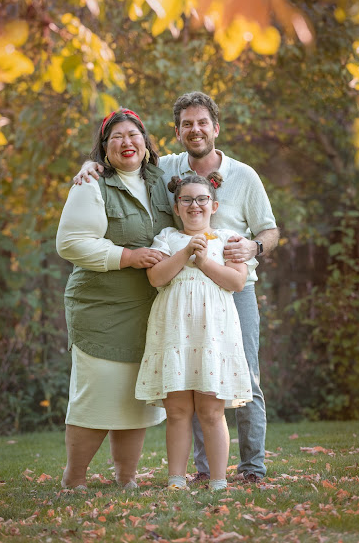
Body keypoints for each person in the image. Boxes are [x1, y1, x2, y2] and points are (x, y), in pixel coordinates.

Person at [74, 92, 279, 485]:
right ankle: (202, 470)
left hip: (234, 289)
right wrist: (91, 164)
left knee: (244, 380)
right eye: (187, 124)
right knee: (195, 376)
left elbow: (270, 230)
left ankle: (252, 468)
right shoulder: (165, 167)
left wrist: (254, 247)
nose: (195, 130)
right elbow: (124, 157)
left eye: (202, 122)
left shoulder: (244, 175)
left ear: (215, 128)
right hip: (183, 294)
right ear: (178, 131)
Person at [56, 108, 174, 490]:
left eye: (133, 135)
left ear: (146, 142)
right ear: (104, 148)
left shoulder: (163, 179)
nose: (127, 142)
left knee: (134, 400)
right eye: (117, 137)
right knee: (96, 399)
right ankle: (74, 479)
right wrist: (127, 256)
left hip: (148, 311)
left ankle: (127, 478)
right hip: (101, 310)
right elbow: (70, 243)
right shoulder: (91, 185)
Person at [135, 173, 254, 491]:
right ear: (176, 207)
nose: (194, 205)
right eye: (186, 199)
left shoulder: (228, 238)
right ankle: (176, 479)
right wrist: (186, 251)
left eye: (201, 199)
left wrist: (202, 262)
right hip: (176, 330)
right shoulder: (167, 238)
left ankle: (218, 480)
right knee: (177, 409)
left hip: (212, 333)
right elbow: (156, 278)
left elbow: (236, 282)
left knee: (211, 409)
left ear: (213, 205)